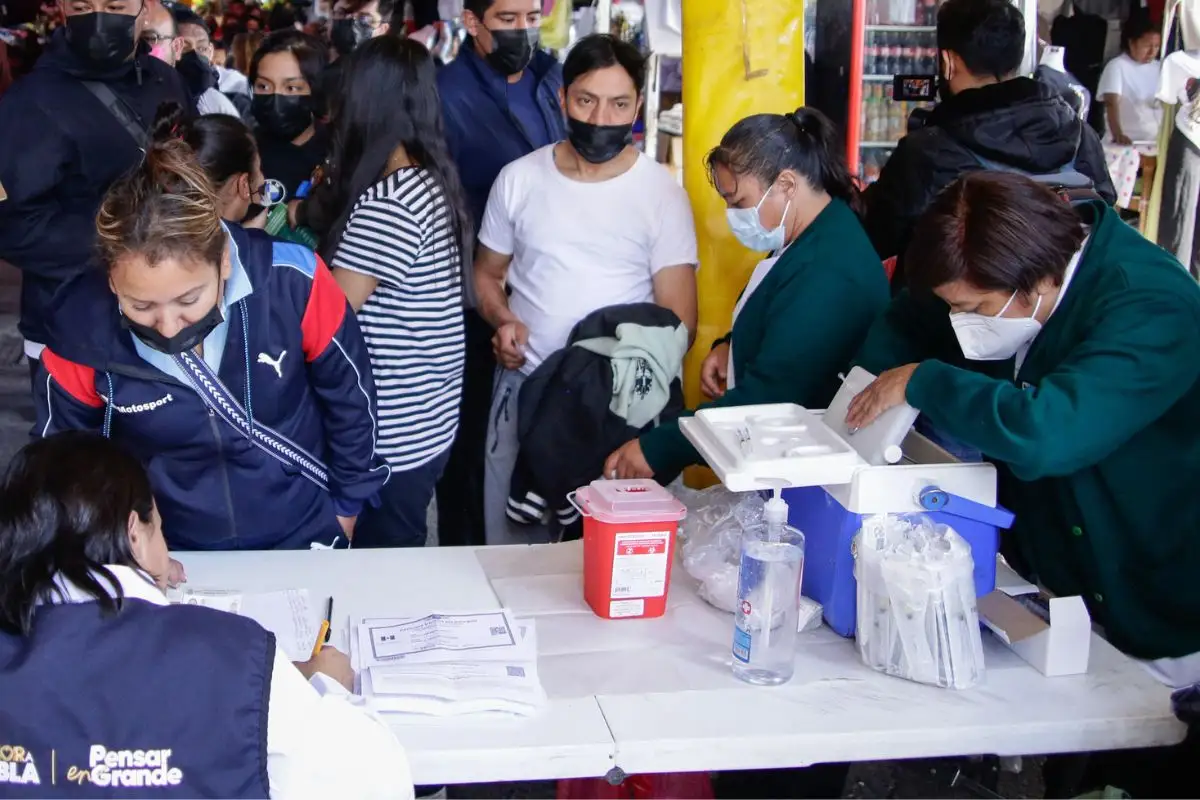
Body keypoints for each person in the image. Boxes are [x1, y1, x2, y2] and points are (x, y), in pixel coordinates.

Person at [850, 171, 1200, 689]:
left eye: (972, 310)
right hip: (1061, 579)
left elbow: (1049, 436)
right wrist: (861, 396)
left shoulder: (1151, 305)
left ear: (1036, 282)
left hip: (1159, 591)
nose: (959, 321)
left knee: (1149, 744)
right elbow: (911, 317)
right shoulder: (993, 268)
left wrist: (926, 381)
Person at [0, 432, 414, 798]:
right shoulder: (234, 656)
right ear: (134, 535)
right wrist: (330, 687)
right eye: (159, 529)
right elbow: (379, 782)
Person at [36, 135, 389, 551]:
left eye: (189, 300)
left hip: (304, 527)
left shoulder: (295, 281)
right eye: (141, 305)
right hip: (171, 548)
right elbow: (66, 462)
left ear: (223, 259)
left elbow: (351, 397)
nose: (167, 327)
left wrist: (345, 508)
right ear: (112, 279)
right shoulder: (79, 330)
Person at [476, 33, 697, 546]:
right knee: (511, 556)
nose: (601, 119)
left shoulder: (661, 193)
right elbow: (487, 275)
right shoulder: (518, 180)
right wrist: (501, 318)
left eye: (619, 104)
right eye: (586, 101)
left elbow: (678, 319)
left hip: (618, 412)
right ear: (562, 99)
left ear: (638, 105)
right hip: (525, 389)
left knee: (602, 561)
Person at [606, 108, 890, 483]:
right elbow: (781, 311)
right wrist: (732, 345)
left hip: (812, 473)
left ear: (787, 185)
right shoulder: (809, 237)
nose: (732, 215)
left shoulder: (831, 268)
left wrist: (661, 447)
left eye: (738, 202)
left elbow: (772, 400)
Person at [320, 36, 468, 548]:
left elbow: (328, 315)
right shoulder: (427, 181)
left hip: (394, 440)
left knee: (381, 574)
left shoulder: (392, 202)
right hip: (426, 419)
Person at [862, 0, 1115, 288]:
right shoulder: (1081, 134)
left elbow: (875, 238)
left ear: (948, 62)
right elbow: (1103, 215)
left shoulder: (927, 152)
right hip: (1056, 316)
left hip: (949, 322)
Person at [0, 0, 189, 384]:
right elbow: (13, 225)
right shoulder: (29, 101)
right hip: (70, 328)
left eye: (116, 4)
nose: (100, 16)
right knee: (79, 444)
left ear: (144, 8)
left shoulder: (165, 80)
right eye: (83, 5)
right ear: (63, 11)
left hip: (170, 317)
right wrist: (128, 245)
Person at [435, 0, 566, 548]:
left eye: (530, 18)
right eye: (507, 20)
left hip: (550, 285)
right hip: (477, 293)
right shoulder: (445, 94)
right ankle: (468, 555)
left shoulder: (551, 77)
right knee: (473, 440)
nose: (522, 31)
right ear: (472, 23)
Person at [250, 28, 329, 197]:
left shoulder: (335, 152)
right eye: (263, 86)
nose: (277, 98)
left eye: (292, 88)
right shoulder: (241, 150)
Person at [180, 111, 282, 225]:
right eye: (258, 169)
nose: (263, 179)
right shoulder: (253, 241)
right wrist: (248, 239)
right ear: (243, 185)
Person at [144, 2, 240, 116]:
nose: (194, 54)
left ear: (210, 52)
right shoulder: (144, 95)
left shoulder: (218, 105)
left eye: (201, 48)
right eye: (184, 47)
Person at [1155, 35, 1200, 278]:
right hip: (1189, 138)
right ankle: (1174, 279)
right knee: (1179, 217)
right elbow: (1167, 99)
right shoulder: (1178, 62)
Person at [1098, 11, 1163, 145]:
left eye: (1156, 46)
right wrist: (1118, 134)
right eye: (1147, 46)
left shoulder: (1160, 67)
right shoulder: (1116, 66)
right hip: (1127, 143)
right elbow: (1111, 103)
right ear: (1132, 43)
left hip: (1155, 143)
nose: (1152, 52)